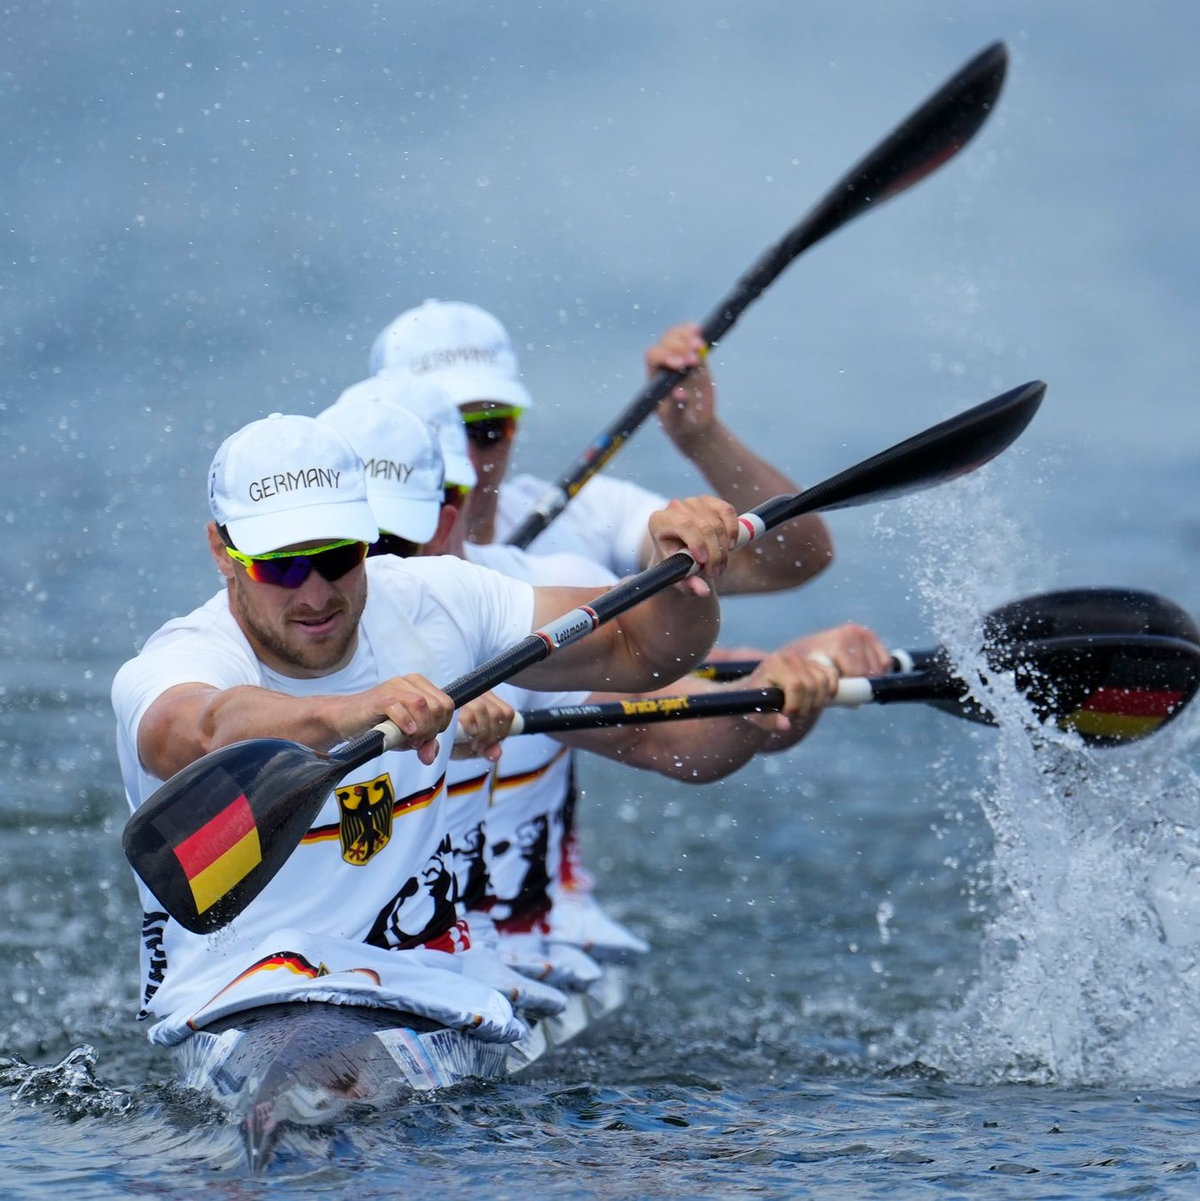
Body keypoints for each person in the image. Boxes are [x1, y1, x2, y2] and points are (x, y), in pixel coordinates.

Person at [112, 411, 739, 1047]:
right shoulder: (182, 659)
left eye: (336, 555)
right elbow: (195, 729)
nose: (314, 593)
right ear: (221, 550)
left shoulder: (439, 601)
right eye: (279, 566)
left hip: (423, 982)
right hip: (235, 999)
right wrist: (347, 709)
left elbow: (643, 651)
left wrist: (682, 581)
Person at [317, 389, 890, 976]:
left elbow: (665, 735)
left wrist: (762, 699)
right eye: (336, 552)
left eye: (388, 545)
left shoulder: (503, 610)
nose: (369, 573)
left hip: (506, 948)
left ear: (446, 517)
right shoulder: (267, 628)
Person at [368, 300, 835, 590]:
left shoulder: (584, 519)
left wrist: (702, 439)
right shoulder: (333, 566)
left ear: (515, 425)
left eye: (486, 429)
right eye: (437, 429)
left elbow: (795, 560)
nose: (466, 460)